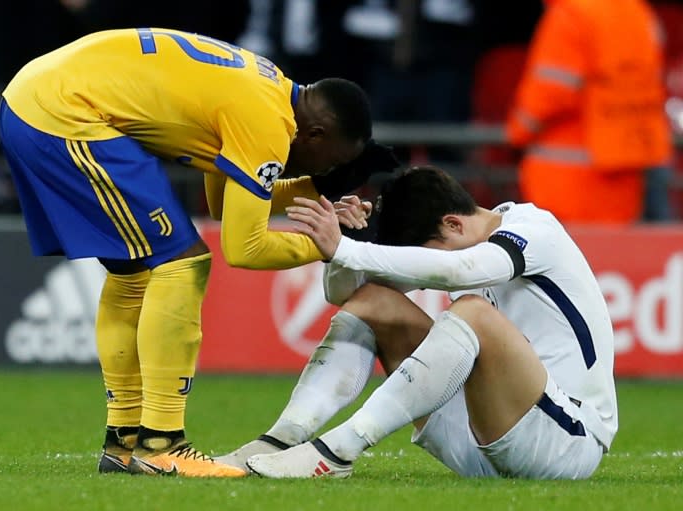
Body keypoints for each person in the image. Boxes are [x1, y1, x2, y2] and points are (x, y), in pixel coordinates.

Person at [0, 27, 398, 478]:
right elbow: (245, 247)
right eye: (329, 163)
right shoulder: (269, 123)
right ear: (315, 133)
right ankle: (161, 444)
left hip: (36, 99)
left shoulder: (267, 90)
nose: (327, 171)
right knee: (183, 262)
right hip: (64, 115)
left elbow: (224, 204)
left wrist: (316, 189)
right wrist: (336, 246)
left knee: (134, 276)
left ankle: (124, 443)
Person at [218, 165, 617, 480]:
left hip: (565, 443)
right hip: (479, 443)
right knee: (374, 299)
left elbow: (460, 269)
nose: (432, 268)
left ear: (453, 224)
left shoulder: (535, 231)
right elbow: (346, 295)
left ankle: (339, 449)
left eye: (431, 254)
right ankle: (278, 440)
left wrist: (349, 250)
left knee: (473, 313)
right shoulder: (460, 242)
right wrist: (343, 245)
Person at [506, 0, 672, 224]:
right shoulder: (637, 12)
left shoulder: (571, 15)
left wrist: (518, 132)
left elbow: (550, 92)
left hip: (567, 181)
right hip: (626, 174)